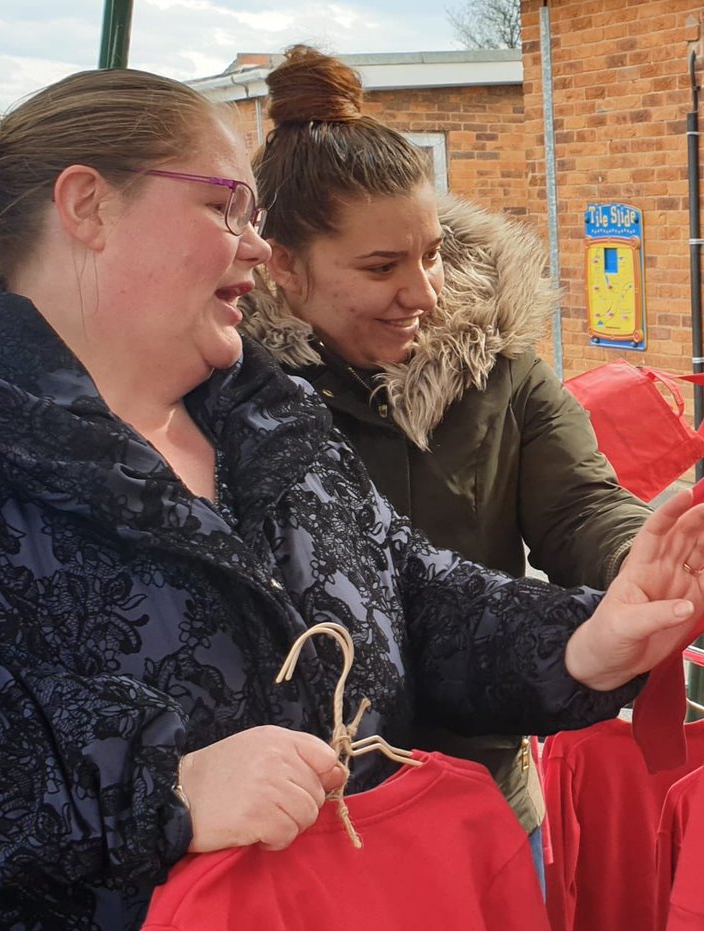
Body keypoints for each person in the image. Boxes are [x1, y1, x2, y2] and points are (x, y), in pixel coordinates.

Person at [0, 68, 704, 931]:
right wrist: (159, 782)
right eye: (223, 208)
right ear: (88, 206)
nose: (257, 247)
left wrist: (579, 638)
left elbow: (403, 586)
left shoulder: (265, 414)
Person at [240, 45, 651, 879]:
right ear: (282, 266)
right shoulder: (232, 404)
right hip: (313, 834)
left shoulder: (499, 373)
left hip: (486, 802)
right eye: (381, 267)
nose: (424, 293)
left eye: (429, 253)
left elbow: (581, 510)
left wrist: (648, 556)